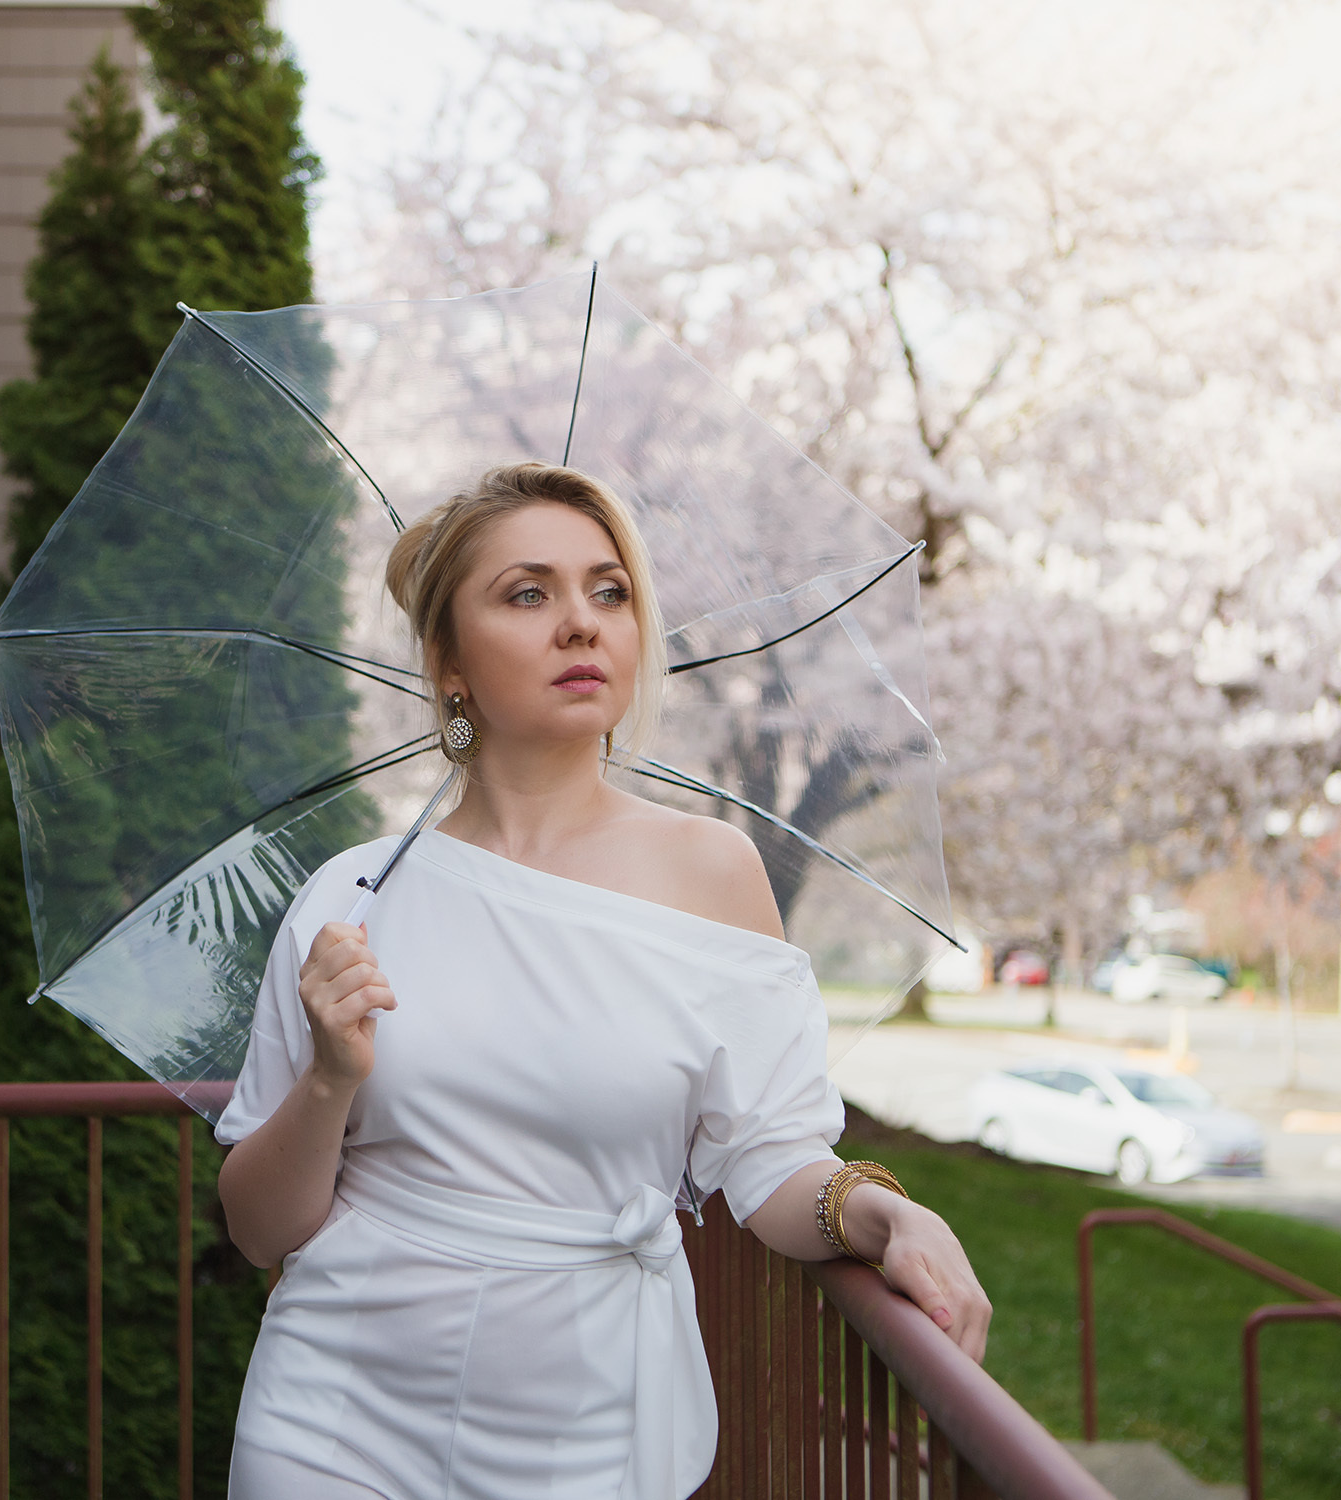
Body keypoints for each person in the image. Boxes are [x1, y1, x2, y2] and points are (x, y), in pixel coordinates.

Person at [214, 462, 990, 1499]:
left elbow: (768, 1163)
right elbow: (261, 1229)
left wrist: (881, 1215)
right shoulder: (349, 900)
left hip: (589, 1434)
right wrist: (327, 1080)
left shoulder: (714, 875)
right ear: (449, 662)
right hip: (333, 1425)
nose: (582, 623)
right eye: (528, 593)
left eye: (609, 590)